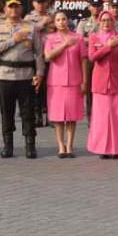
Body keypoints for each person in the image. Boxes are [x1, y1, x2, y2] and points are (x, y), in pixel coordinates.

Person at [0, 0, 44, 159]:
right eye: (10, 7)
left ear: (21, 9)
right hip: (4, 74)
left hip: (25, 75)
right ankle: (8, 145)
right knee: (7, 111)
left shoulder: (31, 27)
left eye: (16, 7)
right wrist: (14, 39)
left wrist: (39, 73)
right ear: (5, 9)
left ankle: (30, 145)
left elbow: (39, 53)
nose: (13, 10)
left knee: (28, 112)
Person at [85, 9, 118, 159]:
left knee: (117, 117)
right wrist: (108, 46)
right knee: (102, 118)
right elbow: (92, 57)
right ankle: (102, 148)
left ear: (113, 21)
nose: (106, 23)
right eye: (103, 20)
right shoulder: (93, 37)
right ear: (98, 22)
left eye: (108, 20)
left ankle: (115, 148)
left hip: (117, 82)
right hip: (100, 83)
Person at [43, 10, 86, 157]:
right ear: (54, 23)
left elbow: (84, 60)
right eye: (58, 20)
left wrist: (85, 80)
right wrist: (64, 45)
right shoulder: (50, 38)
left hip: (74, 81)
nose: (61, 22)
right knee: (58, 117)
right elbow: (48, 56)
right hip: (56, 82)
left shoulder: (78, 38)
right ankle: (61, 146)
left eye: (63, 19)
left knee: (72, 116)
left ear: (68, 20)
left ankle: (70, 145)